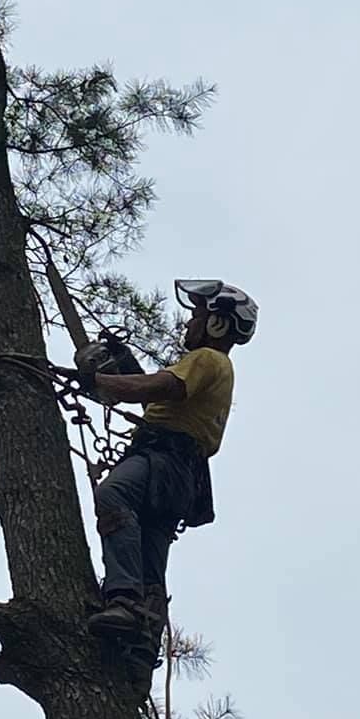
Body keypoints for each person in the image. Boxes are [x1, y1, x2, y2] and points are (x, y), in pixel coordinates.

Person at [83, 278, 257, 664]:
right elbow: (161, 401)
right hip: (181, 478)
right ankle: (141, 646)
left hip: (162, 459)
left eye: (197, 314)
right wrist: (125, 364)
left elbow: (161, 388)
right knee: (149, 547)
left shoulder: (208, 360)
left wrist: (96, 381)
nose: (189, 323)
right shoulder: (216, 369)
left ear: (216, 323)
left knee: (112, 496)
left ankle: (124, 601)